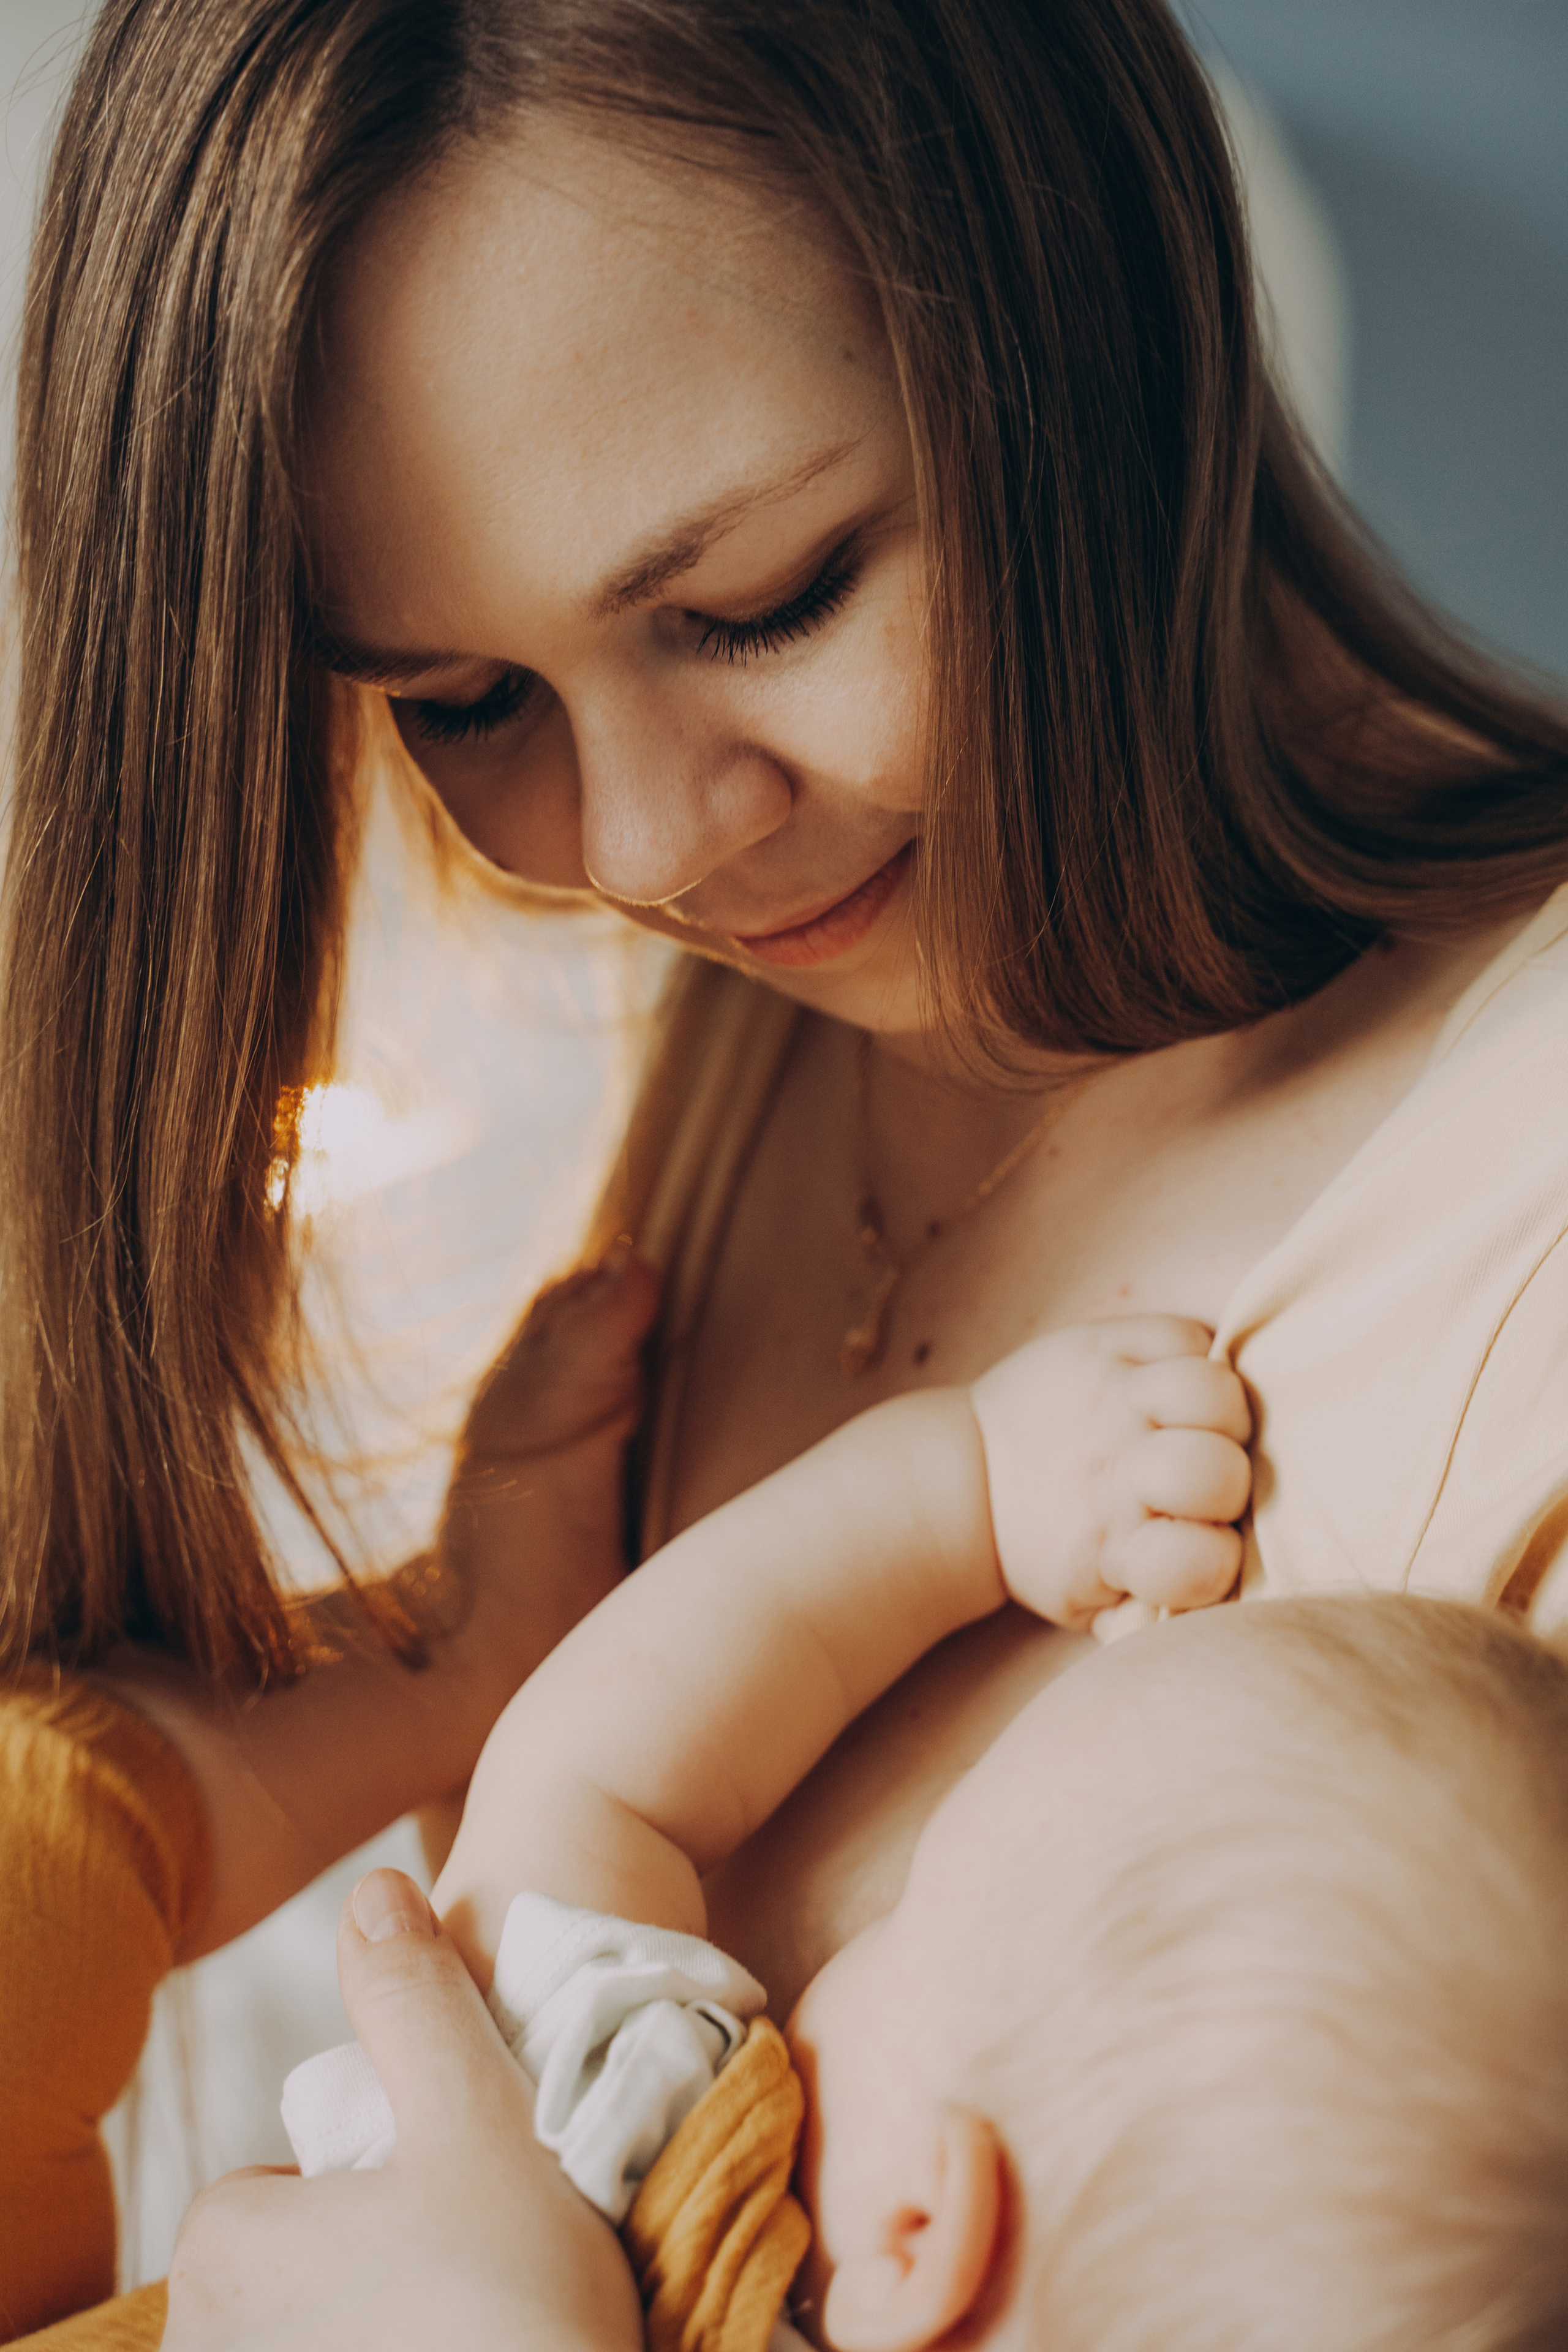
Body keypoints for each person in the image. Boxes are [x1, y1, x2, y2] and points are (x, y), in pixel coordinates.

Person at [4, 0, 1568, 2337]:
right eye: (461, 702)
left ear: (1091, 300)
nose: (632, 851)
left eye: (763, 598)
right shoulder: (755, 978)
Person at [277, 1333, 1567, 2351]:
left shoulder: (646, 2222)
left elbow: (588, 1782)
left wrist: (964, 1493)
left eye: (904, 1915)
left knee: (70, 1828)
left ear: (916, 2234)